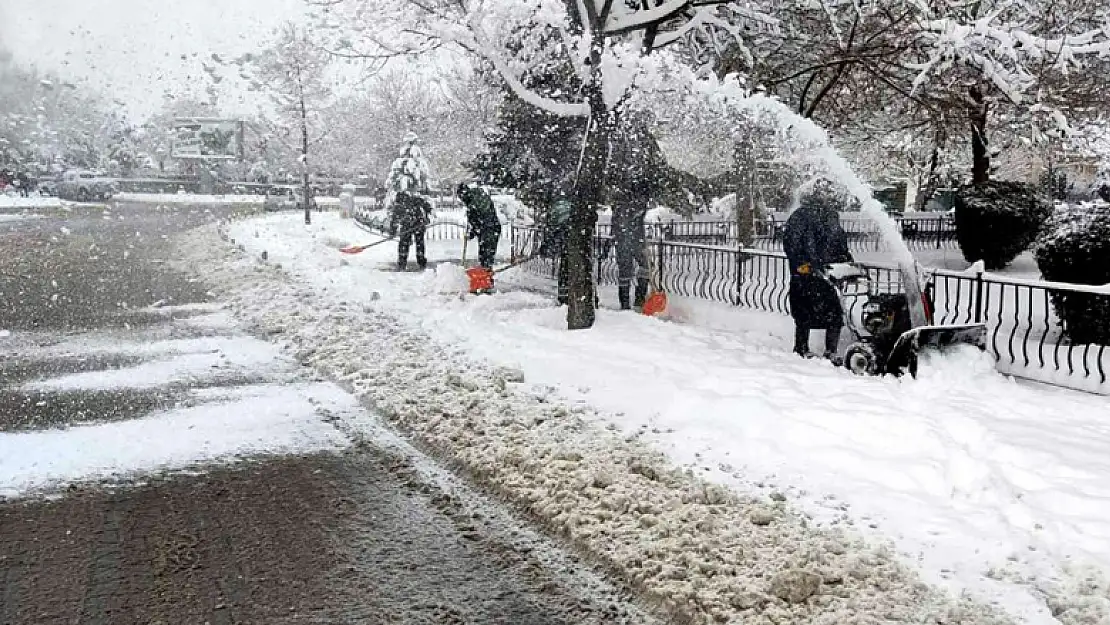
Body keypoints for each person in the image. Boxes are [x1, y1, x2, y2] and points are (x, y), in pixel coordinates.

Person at [783, 180, 853, 361]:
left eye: (828, 193)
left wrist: (846, 259)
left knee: (834, 314)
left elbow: (839, 241)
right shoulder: (800, 216)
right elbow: (792, 242)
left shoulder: (831, 216)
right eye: (824, 193)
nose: (827, 196)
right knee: (804, 314)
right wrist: (801, 263)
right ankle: (801, 348)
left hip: (828, 273)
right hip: (806, 274)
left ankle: (831, 351)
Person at [457, 182, 502, 270]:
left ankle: (485, 278)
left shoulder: (474, 203)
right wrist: (473, 231)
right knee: (486, 256)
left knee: (486, 256)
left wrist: (473, 232)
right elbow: (478, 222)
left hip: (489, 230)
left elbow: (480, 220)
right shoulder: (476, 197)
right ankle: (485, 277)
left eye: (461, 197)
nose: (462, 200)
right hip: (491, 228)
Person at [389, 190, 431, 271]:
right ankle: (420, 261)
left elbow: (394, 219)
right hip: (416, 224)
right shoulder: (415, 200)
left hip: (413, 224)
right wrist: (426, 216)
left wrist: (392, 231)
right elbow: (427, 207)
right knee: (418, 243)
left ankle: (403, 262)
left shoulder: (399, 205)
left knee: (404, 243)